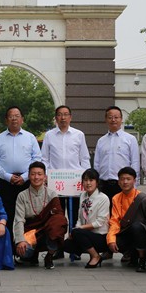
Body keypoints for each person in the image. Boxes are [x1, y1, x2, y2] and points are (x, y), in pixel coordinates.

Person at [41, 105, 91, 259]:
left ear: (70, 117)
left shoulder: (79, 135)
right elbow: (45, 159)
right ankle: (58, 247)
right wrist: (46, 176)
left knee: (76, 215)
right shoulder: (49, 136)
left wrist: (86, 178)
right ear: (56, 118)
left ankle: (75, 248)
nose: (63, 118)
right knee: (57, 217)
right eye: (59, 115)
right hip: (56, 182)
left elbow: (84, 158)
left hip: (75, 182)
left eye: (66, 114)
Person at [0, 106, 41, 234]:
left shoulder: (30, 137)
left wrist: (25, 176)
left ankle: (25, 245)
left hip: (26, 182)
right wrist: (7, 176)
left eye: (17, 116)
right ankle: (8, 244)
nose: (14, 119)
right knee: (6, 215)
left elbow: (37, 158)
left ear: (22, 119)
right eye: (11, 116)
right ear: (6, 120)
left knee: (28, 216)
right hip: (5, 183)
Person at [13, 161, 68, 269]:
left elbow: (59, 216)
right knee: (24, 251)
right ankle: (32, 255)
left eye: (39, 174)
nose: (36, 177)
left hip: (46, 231)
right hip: (30, 231)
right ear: (29, 176)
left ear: (45, 177)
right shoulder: (22, 195)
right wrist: (20, 240)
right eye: (33, 174)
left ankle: (49, 255)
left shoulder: (52, 194)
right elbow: (19, 219)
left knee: (59, 222)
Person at [106, 167, 146, 272]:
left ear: (134, 181)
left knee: (136, 227)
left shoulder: (143, 199)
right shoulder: (116, 198)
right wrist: (111, 240)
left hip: (143, 234)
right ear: (118, 182)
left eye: (128, 179)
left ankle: (142, 259)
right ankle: (132, 255)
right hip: (127, 233)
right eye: (122, 179)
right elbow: (114, 221)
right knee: (112, 241)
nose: (125, 182)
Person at [62, 168, 110, 269]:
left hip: (100, 236)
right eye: (85, 180)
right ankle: (88, 248)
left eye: (91, 180)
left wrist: (79, 229)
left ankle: (95, 256)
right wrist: (77, 229)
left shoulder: (103, 198)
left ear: (97, 182)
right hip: (85, 234)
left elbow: (100, 222)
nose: (88, 183)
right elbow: (80, 218)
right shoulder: (83, 195)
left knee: (77, 232)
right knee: (66, 245)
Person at [95, 106, 139, 204]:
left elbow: (135, 163)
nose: (113, 120)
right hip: (104, 185)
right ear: (106, 119)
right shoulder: (101, 141)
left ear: (121, 119)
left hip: (123, 185)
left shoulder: (130, 139)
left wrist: (134, 186)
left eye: (116, 117)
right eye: (110, 117)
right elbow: (97, 164)